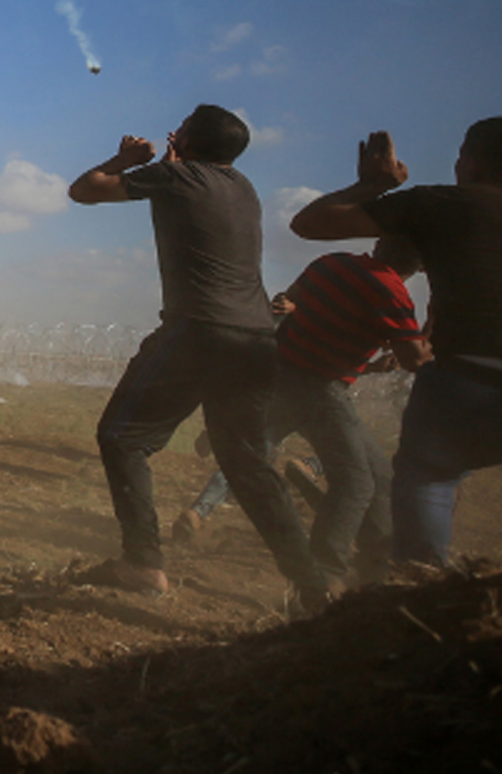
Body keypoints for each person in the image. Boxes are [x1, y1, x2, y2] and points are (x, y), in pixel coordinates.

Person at [69, 105, 329, 608]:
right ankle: (312, 585)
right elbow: (188, 203)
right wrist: (174, 163)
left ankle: (143, 563)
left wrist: (127, 160)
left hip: (200, 331)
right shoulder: (242, 187)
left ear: (189, 140)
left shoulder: (174, 177)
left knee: (122, 438)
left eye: (183, 125)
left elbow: (84, 190)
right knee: (248, 465)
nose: (176, 129)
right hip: (256, 338)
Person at [289, 118, 502, 567]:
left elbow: (310, 223)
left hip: (466, 380)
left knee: (430, 477)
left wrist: (372, 185)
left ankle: (421, 579)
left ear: (472, 163)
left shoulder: (441, 203)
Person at [261, 237, 431, 587]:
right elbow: (415, 360)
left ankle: (376, 568)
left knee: (379, 474)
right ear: (424, 267)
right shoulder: (393, 293)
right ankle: (322, 580)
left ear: (380, 242)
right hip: (320, 389)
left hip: (285, 376)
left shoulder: (331, 263)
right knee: (355, 483)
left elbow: (292, 304)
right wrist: (435, 326)